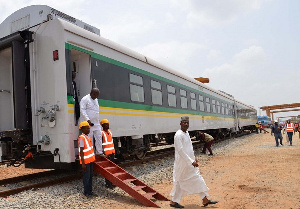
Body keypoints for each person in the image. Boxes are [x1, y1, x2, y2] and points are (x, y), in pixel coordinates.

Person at [170, 116, 218, 208]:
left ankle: (205, 200)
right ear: (180, 123)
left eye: (187, 122)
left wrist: (194, 158)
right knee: (180, 181)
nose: (186, 124)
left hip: (190, 163)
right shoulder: (178, 135)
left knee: (197, 178)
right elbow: (180, 151)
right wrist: (191, 161)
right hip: (182, 163)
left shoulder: (187, 133)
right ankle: (173, 202)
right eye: (184, 122)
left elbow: (189, 148)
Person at [80, 88, 103, 154]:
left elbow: (96, 111)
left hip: (96, 123)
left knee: (99, 137)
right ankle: (91, 152)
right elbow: (82, 110)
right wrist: (88, 120)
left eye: (97, 95)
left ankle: (99, 152)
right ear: (91, 93)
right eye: (95, 95)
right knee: (90, 139)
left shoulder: (96, 100)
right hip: (89, 123)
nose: (96, 97)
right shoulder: (85, 99)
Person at [78, 121, 97, 198]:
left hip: (90, 160)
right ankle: (86, 192)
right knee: (86, 177)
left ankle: (90, 191)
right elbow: (81, 151)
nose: (88, 130)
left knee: (90, 176)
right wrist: (83, 164)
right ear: (82, 129)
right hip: (85, 162)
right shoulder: (81, 138)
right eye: (87, 128)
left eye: (89, 128)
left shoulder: (88, 137)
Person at [100, 118, 116, 189]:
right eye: (106, 124)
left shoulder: (110, 132)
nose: (108, 125)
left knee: (112, 169)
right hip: (106, 154)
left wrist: (114, 152)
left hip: (111, 153)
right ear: (103, 125)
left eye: (108, 123)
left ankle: (111, 182)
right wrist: (103, 154)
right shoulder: (102, 133)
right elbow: (100, 144)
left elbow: (111, 143)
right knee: (107, 170)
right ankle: (108, 184)